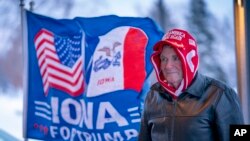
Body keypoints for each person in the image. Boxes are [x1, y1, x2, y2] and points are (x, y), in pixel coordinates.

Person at [138, 28, 244, 141]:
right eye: (164, 59)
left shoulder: (221, 94)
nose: (168, 66)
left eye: (176, 58)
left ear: (189, 59)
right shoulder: (152, 96)